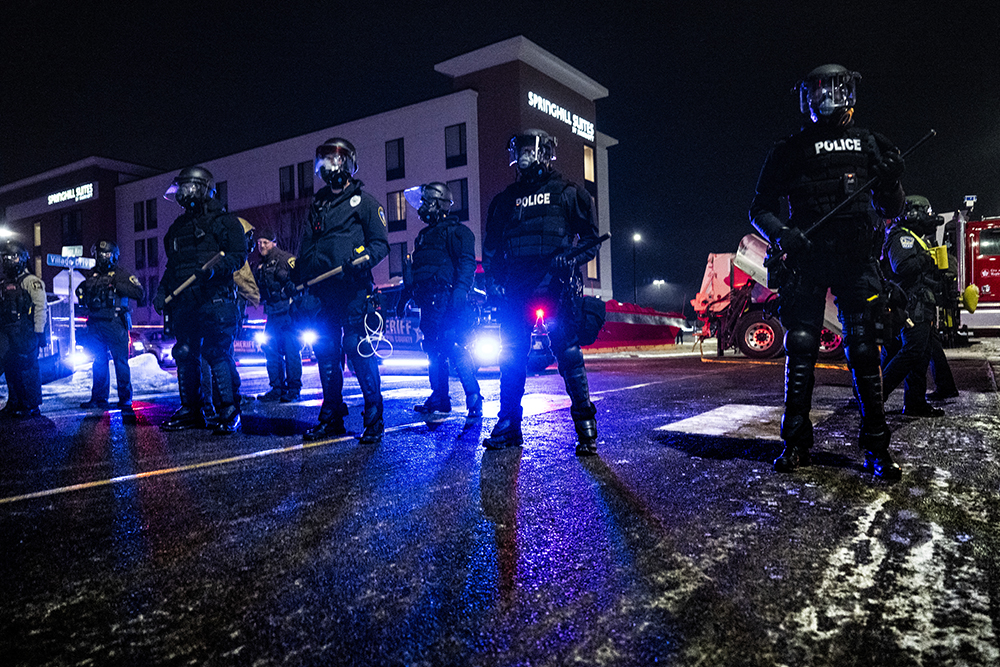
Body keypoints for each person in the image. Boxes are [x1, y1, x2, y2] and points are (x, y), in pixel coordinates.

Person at [749, 64, 906, 480]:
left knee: (864, 349)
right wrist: (784, 234)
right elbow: (759, 207)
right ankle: (796, 442)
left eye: (828, 89)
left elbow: (893, 209)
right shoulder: (790, 149)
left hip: (856, 257)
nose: (822, 97)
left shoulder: (869, 144)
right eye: (815, 90)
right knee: (801, 347)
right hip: (809, 257)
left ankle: (876, 445)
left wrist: (890, 181)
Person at [482, 128, 602, 455]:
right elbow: (491, 249)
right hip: (515, 289)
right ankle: (508, 424)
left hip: (555, 285)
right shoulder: (504, 200)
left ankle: (585, 427)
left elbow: (590, 241)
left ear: (546, 153)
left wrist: (570, 258)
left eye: (530, 149)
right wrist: (493, 283)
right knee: (511, 358)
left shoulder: (568, 192)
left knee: (568, 354)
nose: (523, 155)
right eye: (518, 149)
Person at [294, 138, 389, 443]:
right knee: (326, 351)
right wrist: (297, 278)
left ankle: (374, 417)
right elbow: (306, 246)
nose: (329, 167)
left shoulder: (365, 202)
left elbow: (380, 244)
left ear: (348, 164)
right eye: (324, 162)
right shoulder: (318, 204)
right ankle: (331, 415)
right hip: (323, 292)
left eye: (335, 161)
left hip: (352, 289)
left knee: (356, 348)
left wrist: (362, 260)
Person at [154, 165, 248, 435]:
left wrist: (214, 270)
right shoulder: (177, 229)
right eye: (180, 188)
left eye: (188, 187)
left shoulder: (226, 222)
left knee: (217, 352)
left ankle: (229, 410)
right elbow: (173, 269)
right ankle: (191, 410)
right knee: (184, 352)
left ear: (203, 187)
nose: (183, 193)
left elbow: (237, 256)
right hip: (186, 303)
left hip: (215, 299)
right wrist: (162, 292)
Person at [402, 181, 482, 422]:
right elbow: (420, 270)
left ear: (439, 203)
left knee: (452, 346)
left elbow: (468, 263)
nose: (423, 207)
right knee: (433, 350)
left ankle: (474, 397)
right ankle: (439, 399)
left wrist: (461, 291)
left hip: (448, 301)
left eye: (427, 202)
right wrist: (406, 293)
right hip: (428, 301)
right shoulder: (424, 236)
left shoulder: (457, 232)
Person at [880, 196, 946, 417]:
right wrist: (928, 259)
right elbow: (903, 267)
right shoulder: (901, 237)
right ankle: (876, 395)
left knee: (922, 354)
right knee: (912, 350)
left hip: (922, 301)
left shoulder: (917, 238)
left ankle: (915, 402)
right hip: (911, 302)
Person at [76, 240, 145, 411]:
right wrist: (81, 291)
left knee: (120, 362)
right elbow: (82, 293)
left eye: (106, 254)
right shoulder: (92, 274)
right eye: (100, 254)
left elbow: (139, 293)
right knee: (98, 362)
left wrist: (117, 285)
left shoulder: (121, 274)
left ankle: (125, 398)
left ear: (114, 255)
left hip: (115, 323)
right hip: (95, 324)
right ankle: (99, 398)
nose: (103, 257)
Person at [254, 228, 302, 403]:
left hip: (287, 313)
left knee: (291, 350)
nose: (262, 246)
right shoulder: (261, 264)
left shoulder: (285, 259)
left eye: (265, 242)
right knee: (271, 350)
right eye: (259, 243)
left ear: (273, 242)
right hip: (272, 313)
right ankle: (277, 388)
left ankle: (294, 389)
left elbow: (298, 280)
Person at [0, 239, 46, 418]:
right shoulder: (4, 282)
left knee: (28, 368)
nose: (7, 261)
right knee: (11, 368)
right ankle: (14, 402)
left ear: (21, 258)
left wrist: (39, 332)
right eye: (5, 258)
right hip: (7, 331)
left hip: (26, 331)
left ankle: (31, 405)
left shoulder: (31, 281)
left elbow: (40, 307)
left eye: (11, 257)